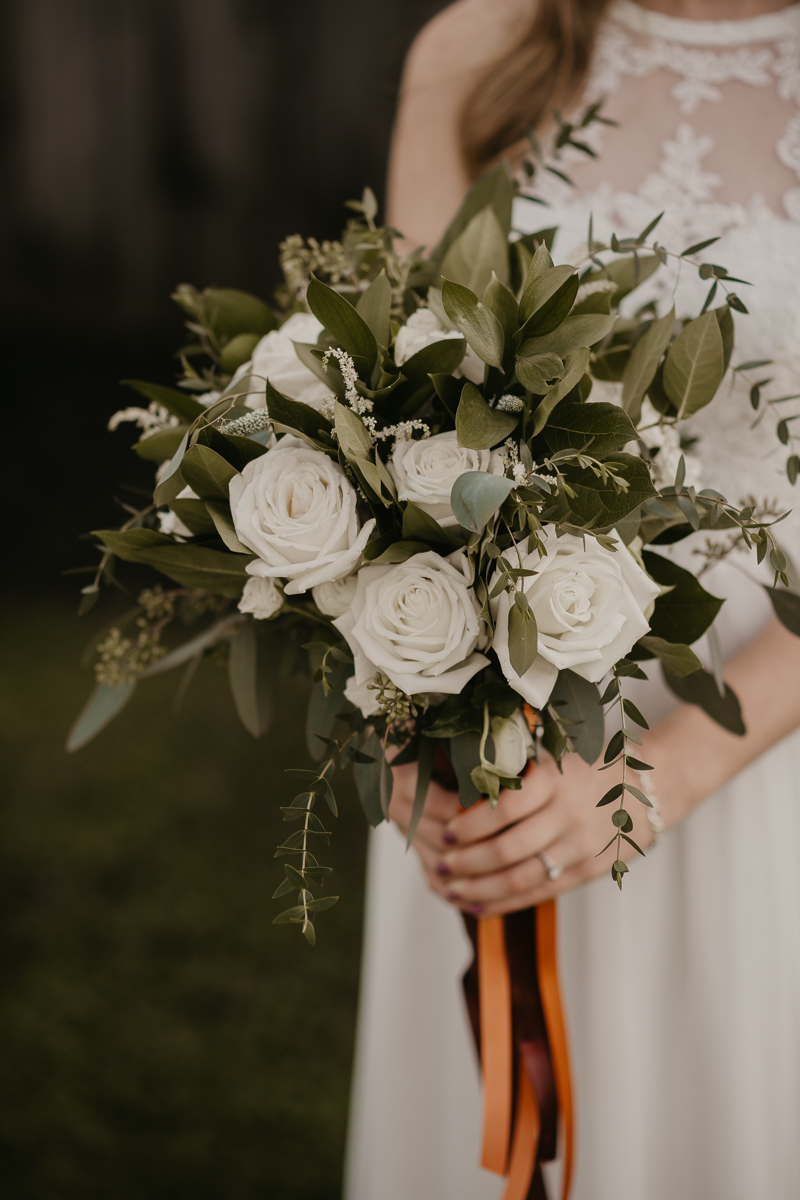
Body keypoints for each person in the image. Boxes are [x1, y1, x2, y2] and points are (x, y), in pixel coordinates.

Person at [344, 2, 800, 1197]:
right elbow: (396, 428)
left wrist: (662, 784)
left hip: (755, 746)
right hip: (491, 748)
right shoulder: (475, 51)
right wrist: (411, 741)